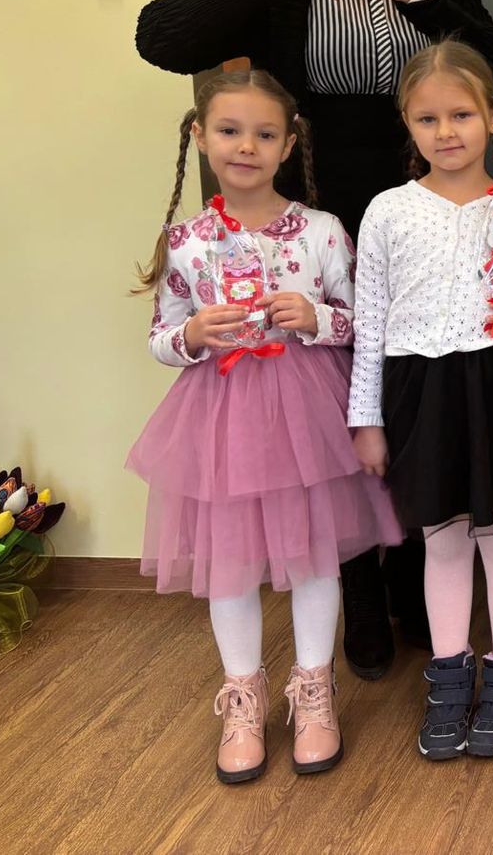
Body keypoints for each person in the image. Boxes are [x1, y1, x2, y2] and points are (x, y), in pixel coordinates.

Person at [135, 0, 493, 679]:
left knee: (412, 392)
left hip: (421, 218)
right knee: (330, 412)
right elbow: (161, 38)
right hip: (309, 219)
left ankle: (418, 580)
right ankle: (361, 595)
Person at [126, 70, 402, 783]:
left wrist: (317, 318)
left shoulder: (321, 232)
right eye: (229, 130)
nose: (246, 146)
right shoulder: (186, 241)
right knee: (231, 561)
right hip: (221, 422)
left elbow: (365, 323)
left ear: (288, 145)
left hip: (306, 416)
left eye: (264, 133)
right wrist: (191, 335)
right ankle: (243, 699)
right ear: (200, 136)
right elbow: (159, 337)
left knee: (313, 556)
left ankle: (314, 693)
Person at [347, 40, 493, 761]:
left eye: (462, 115)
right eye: (427, 119)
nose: (446, 132)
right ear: (407, 126)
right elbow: (371, 323)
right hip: (421, 391)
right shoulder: (387, 211)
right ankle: (449, 675)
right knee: (440, 540)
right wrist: (366, 418)